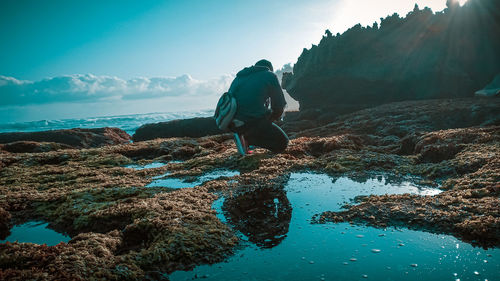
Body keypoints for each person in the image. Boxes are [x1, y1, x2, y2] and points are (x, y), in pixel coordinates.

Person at [228, 59, 289, 154]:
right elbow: (279, 106)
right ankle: (248, 139)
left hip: (233, 124)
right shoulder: (269, 75)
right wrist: (271, 119)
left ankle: (242, 136)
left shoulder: (238, 78)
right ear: (269, 69)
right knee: (282, 143)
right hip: (253, 121)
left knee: (259, 123)